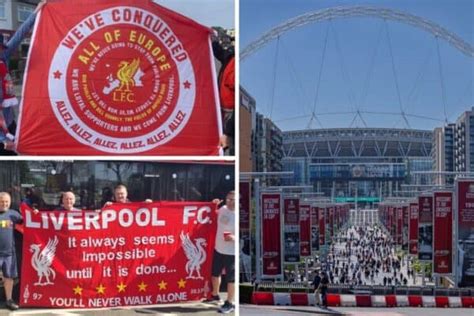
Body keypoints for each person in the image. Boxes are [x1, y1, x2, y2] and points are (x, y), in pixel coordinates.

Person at [0, 1, 47, 153]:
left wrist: (35, 13)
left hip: (9, 122)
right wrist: (3, 138)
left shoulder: (4, 58)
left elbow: (19, 35)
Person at [203, 191, 235, 314]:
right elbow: (212, 214)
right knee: (215, 274)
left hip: (231, 252)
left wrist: (234, 238)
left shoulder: (238, 215)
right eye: (229, 199)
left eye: (233, 199)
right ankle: (215, 295)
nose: (231, 202)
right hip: (218, 249)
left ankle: (230, 303)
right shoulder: (223, 209)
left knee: (231, 279)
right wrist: (213, 205)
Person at [0, 192, 22, 310]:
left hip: (9, 253)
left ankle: (9, 300)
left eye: (6, 202)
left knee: (9, 277)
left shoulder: (14, 215)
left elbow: (29, 221)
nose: (4, 204)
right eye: (1, 201)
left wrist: (36, 214)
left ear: (9, 202)